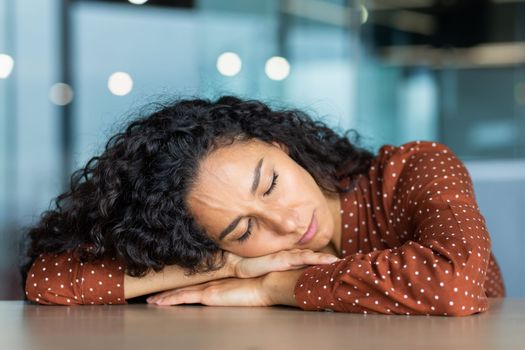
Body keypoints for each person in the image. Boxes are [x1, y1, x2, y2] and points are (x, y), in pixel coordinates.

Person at [22, 96, 505, 315]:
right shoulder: (230, 258)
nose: (289, 222)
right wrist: (223, 264)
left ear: (280, 144)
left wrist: (273, 289)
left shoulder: (414, 168)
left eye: (270, 184)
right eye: (243, 230)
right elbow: (49, 280)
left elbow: (455, 288)